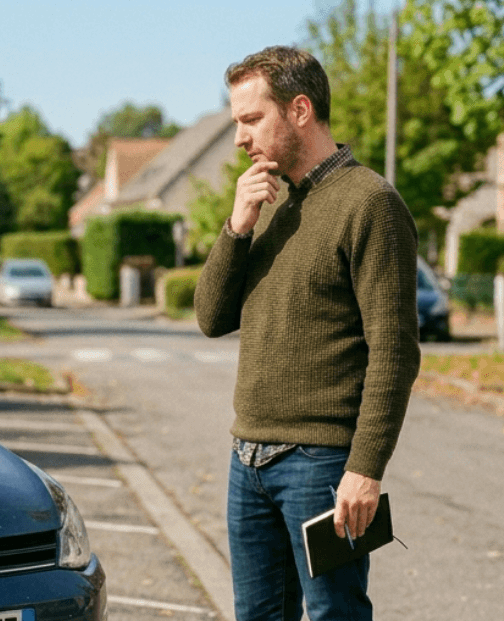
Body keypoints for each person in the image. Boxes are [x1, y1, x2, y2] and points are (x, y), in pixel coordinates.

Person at [194, 46, 419, 621]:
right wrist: (237, 227)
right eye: (236, 123)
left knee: (334, 614)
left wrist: (365, 470)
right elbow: (211, 318)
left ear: (299, 109)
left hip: (320, 466)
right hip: (247, 461)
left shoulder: (370, 202)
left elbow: (394, 352)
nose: (241, 138)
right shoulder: (267, 202)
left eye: (251, 119)